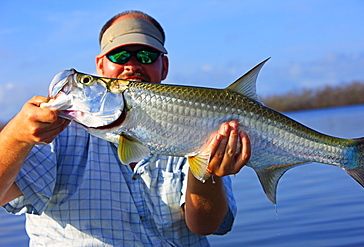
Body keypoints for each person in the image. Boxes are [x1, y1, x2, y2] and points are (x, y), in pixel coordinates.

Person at [0, 10, 250, 246]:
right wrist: (16, 136)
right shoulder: (52, 133)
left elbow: (205, 226)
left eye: (146, 56)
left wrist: (209, 173)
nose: (132, 65)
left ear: (164, 66)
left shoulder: (197, 124)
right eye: (120, 56)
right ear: (100, 66)